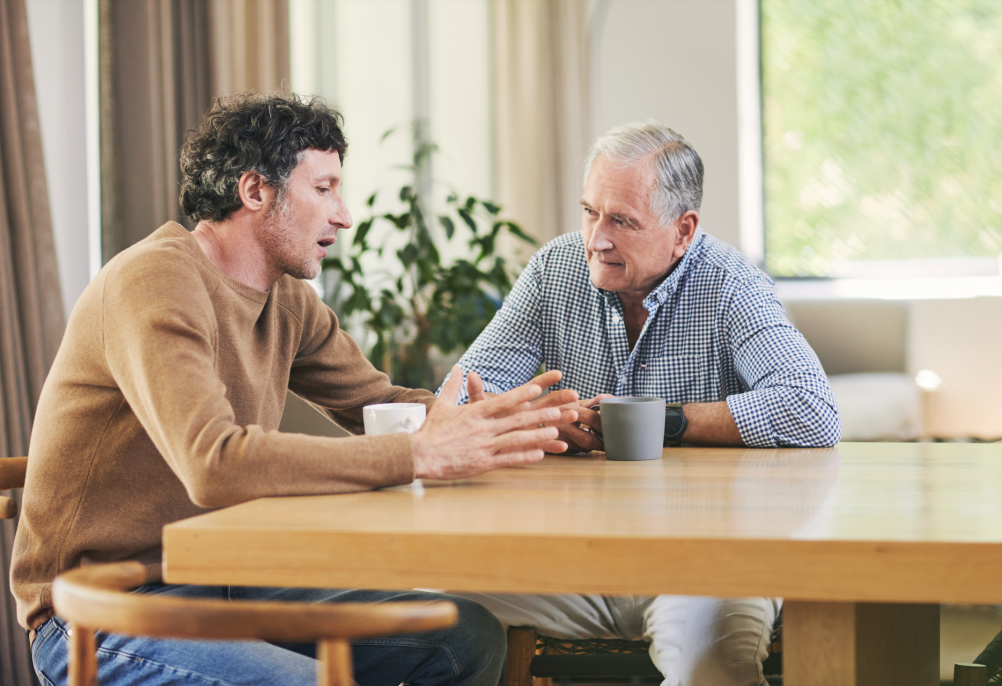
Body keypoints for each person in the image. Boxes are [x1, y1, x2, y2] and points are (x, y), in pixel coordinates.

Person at [11, 93, 581, 686]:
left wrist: (495, 421)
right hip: (99, 613)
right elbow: (214, 464)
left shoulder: (287, 302)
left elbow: (376, 405)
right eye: (324, 189)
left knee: (462, 638)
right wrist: (419, 453)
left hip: (222, 581)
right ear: (255, 191)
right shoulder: (154, 280)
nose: (344, 215)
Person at [445, 120, 841, 686]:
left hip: (708, 564)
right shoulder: (555, 269)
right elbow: (463, 389)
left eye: (622, 221)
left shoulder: (732, 284)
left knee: (713, 665)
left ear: (683, 230)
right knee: (423, 613)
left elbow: (811, 408)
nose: (596, 239)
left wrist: (662, 422)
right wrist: (528, 417)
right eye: (589, 212)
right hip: (571, 560)